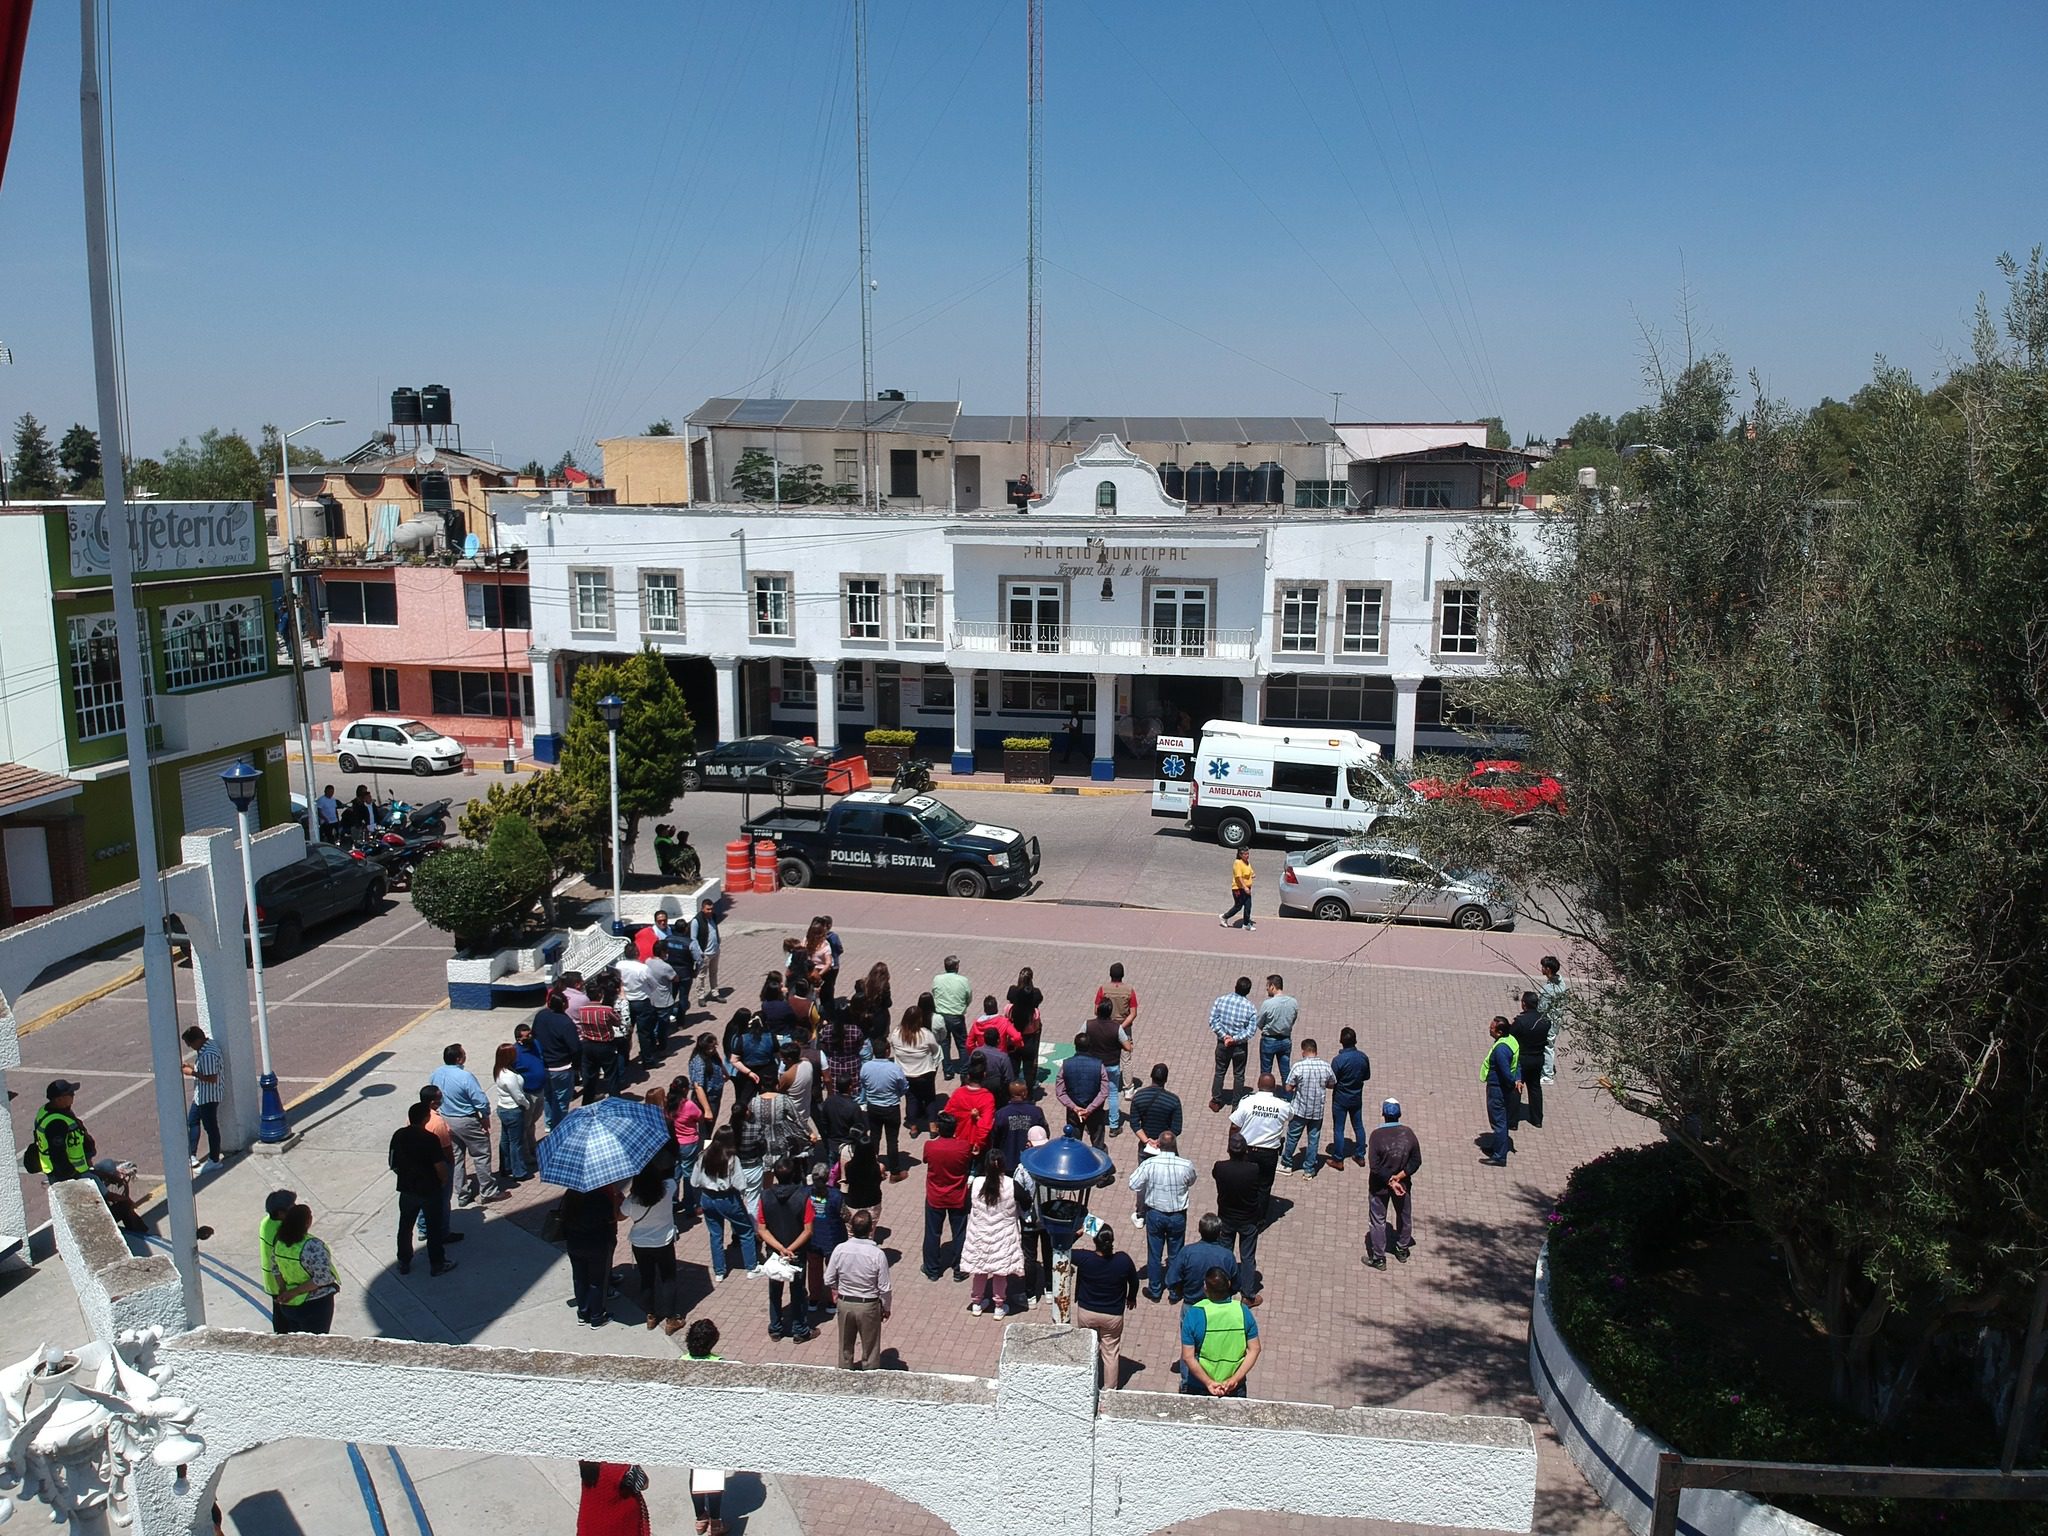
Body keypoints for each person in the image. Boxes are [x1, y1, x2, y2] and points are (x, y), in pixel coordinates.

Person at [1128, 1130, 1196, 1302]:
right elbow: (1191, 1181)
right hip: (1177, 1215)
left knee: (1154, 1254)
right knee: (1176, 1253)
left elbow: (1133, 1183)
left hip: (1155, 1214)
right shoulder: (1185, 1165)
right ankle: (1174, 1291)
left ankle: (1155, 1290)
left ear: (1158, 1145)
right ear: (1175, 1146)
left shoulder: (1149, 1164)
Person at [1070, 1226, 1139, 1386]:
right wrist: (1131, 1298)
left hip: (1087, 1312)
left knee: (1088, 1348)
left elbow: (1061, 1248)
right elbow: (1134, 1281)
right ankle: (1110, 1392)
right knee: (1111, 1352)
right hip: (1112, 1315)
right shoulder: (1123, 1260)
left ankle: (1086, 1385)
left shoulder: (1084, 1258)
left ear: (1095, 1241)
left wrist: (1077, 1234)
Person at [430, 1044, 499, 1205]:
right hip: (466, 1120)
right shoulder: (465, 1076)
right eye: (464, 1054)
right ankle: (488, 1191)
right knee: (481, 1154)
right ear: (459, 1058)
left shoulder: (436, 1074)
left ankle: (462, 1194)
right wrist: (485, 1115)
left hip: (446, 1119)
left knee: (456, 1158)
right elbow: (479, 1099)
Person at [757, 1158, 816, 1342]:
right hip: (796, 1253)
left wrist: (779, 1248)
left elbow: (762, 1229)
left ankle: (775, 1328)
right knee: (798, 1291)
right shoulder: (803, 1197)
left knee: (774, 1289)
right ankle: (799, 1330)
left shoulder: (765, 1196)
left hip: (774, 1252)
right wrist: (790, 1248)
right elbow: (808, 1230)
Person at [825, 1208, 892, 1369]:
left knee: (845, 1349)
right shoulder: (877, 1254)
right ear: (871, 1230)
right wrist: (886, 1307)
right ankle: (869, 1384)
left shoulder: (840, 1249)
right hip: (868, 1305)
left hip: (845, 1303)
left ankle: (844, 1380)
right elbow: (885, 1287)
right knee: (871, 1350)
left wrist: (837, 1290)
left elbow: (828, 1278)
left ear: (852, 1229)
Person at [1179, 1267, 1261, 1397]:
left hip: (1199, 1385)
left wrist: (1209, 1382)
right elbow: (1254, 1349)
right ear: (1228, 1284)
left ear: (1205, 1288)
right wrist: (1234, 1379)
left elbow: (1188, 1357)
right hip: (1234, 1386)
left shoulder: (1194, 1313)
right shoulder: (1243, 1311)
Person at [622, 1164, 685, 1333]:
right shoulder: (667, 1189)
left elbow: (621, 1216)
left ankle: (651, 1315)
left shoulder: (631, 1200)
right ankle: (671, 1318)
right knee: (668, 1279)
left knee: (646, 1278)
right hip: (663, 1242)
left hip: (640, 1244)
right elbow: (672, 1178)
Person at [693, 1125, 759, 1280]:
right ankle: (751, 1267)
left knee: (715, 1234)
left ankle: (719, 1271)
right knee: (746, 1231)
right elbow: (740, 1183)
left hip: (707, 1198)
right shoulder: (732, 1159)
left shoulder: (703, 1155)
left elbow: (694, 1181)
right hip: (727, 1198)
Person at [682, 1321, 729, 1535]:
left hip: (690, 1429)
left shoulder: (681, 1362)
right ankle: (716, 1521)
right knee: (712, 1477)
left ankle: (700, 1518)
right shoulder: (719, 1364)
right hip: (713, 1429)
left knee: (696, 1474)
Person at [960, 1160, 1024, 1318]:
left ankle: (976, 1303)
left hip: (980, 1234)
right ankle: (999, 1306)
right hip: (1004, 1235)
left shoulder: (977, 1183)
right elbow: (1026, 1200)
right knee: (1000, 1272)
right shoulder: (1011, 1184)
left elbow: (967, 1205)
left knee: (980, 1271)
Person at [1364, 1098, 1422, 1269]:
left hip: (1379, 1186)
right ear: (1399, 1114)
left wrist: (1390, 1180)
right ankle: (1402, 1248)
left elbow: (1375, 1167)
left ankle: (1379, 1258)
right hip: (1402, 1185)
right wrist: (1399, 1177)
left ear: (1383, 1114)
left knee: (1378, 1220)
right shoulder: (1408, 1134)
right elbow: (1416, 1161)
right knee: (1404, 1215)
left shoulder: (1376, 1135)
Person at [1211, 1132, 1266, 1307]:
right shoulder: (1254, 1169)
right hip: (1248, 1219)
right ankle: (1248, 1295)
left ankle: (1223, 1289)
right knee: (1248, 1257)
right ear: (1245, 1151)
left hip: (1226, 1217)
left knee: (1225, 1253)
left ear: (1229, 1150)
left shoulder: (1220, 1167)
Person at [271, 1203, 339, 1334]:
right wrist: (294, 1292)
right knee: (317, 1345)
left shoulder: (280, 1243)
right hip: (315, 1305)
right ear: (308, 1222)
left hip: (289, 1305)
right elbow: (323, 1278)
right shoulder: (313, 1246)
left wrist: (284, 1292)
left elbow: (275, 1269)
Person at [920, 1111, 973, 1281]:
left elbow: (926, 1160)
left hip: (935, 1196)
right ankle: (959, 1269)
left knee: (932, 1233)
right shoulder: (964, 1147)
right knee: (959, 1233)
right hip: (958, 1195)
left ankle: (932, 1269)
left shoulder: (930, 1146)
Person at [563, 1183, 622, 1327]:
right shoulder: (600, 1197)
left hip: (574, 1243)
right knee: (597, 1281)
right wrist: (616, 1198)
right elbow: (612, 1218)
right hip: (596, 1244)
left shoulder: (570, 1195)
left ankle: (583, 1313)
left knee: (579, 1278)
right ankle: (597, 1316)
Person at [1229, 1074, 1290, 1207]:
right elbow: (1291, 1115)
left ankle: (1244, 1212)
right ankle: (1260, 1220)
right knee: (1264, 1187)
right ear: (1274, 1088)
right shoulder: (1283, 1105)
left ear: (1258, 1084)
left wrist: (1231, 1147)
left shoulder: (1247, 1101)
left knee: (1245, 1182)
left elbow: (1234, 1126)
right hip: (1269, 1153)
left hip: (1247, 1151)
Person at [1280, 1040, 1334, 1178]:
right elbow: (1332, 1083)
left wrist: (1295, 1087)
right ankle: (1309, 1170)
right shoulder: (1325, 1066)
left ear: (1304, 1051)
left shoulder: (1298, 1066)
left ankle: (1286, 1164)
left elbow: (1287, 1087)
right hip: (1317, 1112)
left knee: (1292, 1137)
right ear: (1316, 1051)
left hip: (1300, 1110)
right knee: (1313, 1140)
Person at [856, 1036, 908, 1177]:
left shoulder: (865, 1067)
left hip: (873, 1107)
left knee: (874, 1137)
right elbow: (904, 1087)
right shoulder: (895, 1069)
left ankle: (873, 1167)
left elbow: (864, 1085)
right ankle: (895, 1172)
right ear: (887, 1051)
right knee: (892, 1140)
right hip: (891, 1107)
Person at [1164, 1213, 1240, 1307]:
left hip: (1192, 1304)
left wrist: (1179, 1291)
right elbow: (1236, 1284)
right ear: (1220, 1233)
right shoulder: (1227, 1256)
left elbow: (1171, 1279)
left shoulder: (1187, 1252)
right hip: (1218, 1306)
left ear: (1199, 1230)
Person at [533, 990, 582, 1131]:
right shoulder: (566, 1023)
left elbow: (535, 1035)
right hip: (562, 1067)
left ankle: (549, 1124)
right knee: (561, 1101)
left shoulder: (541, 1016)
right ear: (564, 1004)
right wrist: (577, 1065)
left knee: (548, 1097)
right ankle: (558, 1128)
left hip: (544, 1066)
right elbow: (575, 1048)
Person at [1207, 977, 1258, 1110]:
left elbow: (1213, 1021)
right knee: (1239, 1074)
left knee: (1220, 1071)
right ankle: (1236, 1104)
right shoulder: (1250, 1008)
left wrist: (1225, 1037)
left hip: (1223, 1044)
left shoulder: (1221, 1000)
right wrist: (1235, 1039)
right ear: (1248, 991)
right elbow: (1251, 1031)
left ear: (1235, 986)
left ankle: (1216, 1101)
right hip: (1239, 1047)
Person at [1326, 1027, 1373, 1169]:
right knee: (1358, 1125)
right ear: (1355, 1041)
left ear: (1341, 1041)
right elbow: (1367, 1076)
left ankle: (1338, 1159)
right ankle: (1360, 1155)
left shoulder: (1338, 1060)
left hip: (1340, 1099)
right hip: (1356, 1097)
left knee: (1339, 1128)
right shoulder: (1363, 1057)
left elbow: (1332, 1082)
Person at [1081, 1000, 1129, 1136]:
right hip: (1112, 1065)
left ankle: (1090, 1122)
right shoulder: (1116, 1027)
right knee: (1113, 1094)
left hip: (1094, 1065)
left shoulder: (1088, 1024)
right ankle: (1114, 1126)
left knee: (1093, 1093)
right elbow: (1127, 1047)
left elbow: (1079, 1038)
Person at [1054, 1034, 1109, 1150]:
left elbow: (1060, 1092)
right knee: (1098, 1145)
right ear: (1090, 1046)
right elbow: (1104, 1092)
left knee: (1073, 1145)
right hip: (1095, 1112)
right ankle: (1102, 1167)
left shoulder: (1066, 1065)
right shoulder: (1099, 1065)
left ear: (1075, 1046)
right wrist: (1089, 1109)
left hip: (1074, 1113)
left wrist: (1074, 1107)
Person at [180, 1027, 224, 1172]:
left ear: (197, 1040)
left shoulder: (208, 1055)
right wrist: (193, 1067)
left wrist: (191, 1072)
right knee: (192, 1121)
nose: (190, 1047)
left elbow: (211, 1078)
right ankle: (191, 1155)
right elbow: (206, 1069)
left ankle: (214, 1159)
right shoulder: (207, 1047)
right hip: (201, 1095)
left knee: (211, 1128)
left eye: (190, 1044)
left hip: (209, 1096)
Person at [32, 1080, 94, 1182]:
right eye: (70, 1094)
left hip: (72, 1170)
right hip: (68, 1174)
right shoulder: (56, 1123)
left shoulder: (49, 1110)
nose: (73, 1095)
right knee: (102, 1191)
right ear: (59, 1099)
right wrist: (71, 1174)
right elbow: (58, 1155)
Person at [491, 1043, 536, 1184]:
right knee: (516, 1142)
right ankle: (519, 1171)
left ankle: (506, 1167)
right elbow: (518, 1096)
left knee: (505, 1139)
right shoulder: (509, 1076)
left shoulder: (499, 1070)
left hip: (503, 1108)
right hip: (513, 1110)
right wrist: (527, 1105)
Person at [895, 1004, 942, 1136]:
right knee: (930, 1098)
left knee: (911, 1099)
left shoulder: (896, 1034)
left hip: (906, 1074)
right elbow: (936, 1050)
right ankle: (932, 1126)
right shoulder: (925, 1035)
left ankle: (914, 1127)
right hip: (925, 1074)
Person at [575, 1460, 651, 1536]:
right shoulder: (620, 1466)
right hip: (619, 1524)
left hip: (590, 1522)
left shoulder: (586, 1461)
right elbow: (643, 1483)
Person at [575, 983, 622, 1105]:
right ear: (600, 995)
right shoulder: (606, 1010)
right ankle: (615, 1102)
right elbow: (617, 1022)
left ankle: (587, 1102)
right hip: (605, 1045)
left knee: (590, 1076)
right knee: (611, 1076)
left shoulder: (581, 1010)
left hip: (587, 1044)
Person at [258, 1187, 297, 1331]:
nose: (295, 1208)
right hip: (283, 1282)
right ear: (281, 1213)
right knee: (288, 1322)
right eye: (291, 1207)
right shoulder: (283, 1230)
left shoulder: (266, 1222)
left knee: (280, 1318)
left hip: (271, 1280)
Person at [943, 1055, 997, 1158]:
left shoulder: (958, 1093)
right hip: (975, 1143)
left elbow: (947, 1114)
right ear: (984, 1075)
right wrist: (979, 1143)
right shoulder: (987, 1098)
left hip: (959, 1140)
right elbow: (985, 1125)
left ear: (968, 1076)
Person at [1482, 1015, 1519, 1166]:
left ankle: (1499, 1156)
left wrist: (1512, 1083)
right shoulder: (1511, 1040)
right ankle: (1497, 1146)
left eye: (1491, 1028)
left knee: (1498, 1122)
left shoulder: (1501, 1050)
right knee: (1500, 1120)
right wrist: (1518, 1079)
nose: (1489, 1029)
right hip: (1503, 1088)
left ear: (1499, 1032)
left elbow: (1505, 1073)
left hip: (1498, 1089)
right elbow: (1518, 1063)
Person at [1129, 1063, 1183, 1165]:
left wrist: (1147, 1141)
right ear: (1166, 1079)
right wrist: (1159, 1141)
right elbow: (1176, 1129)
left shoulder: (1139, 1096)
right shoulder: (1173, 1100)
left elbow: (1134, 1123)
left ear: (1151, 1076)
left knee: (1144, 1175)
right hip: (1166, 1148)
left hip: (1146, 1146)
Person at [1509, 990, 1548, 1129]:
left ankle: (1513, 1121)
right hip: (1538, 1058)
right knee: (1535, 1087)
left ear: (1524, 1004)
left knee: (1517, 1087)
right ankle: (1537, 1119)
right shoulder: (1544, 1020)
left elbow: (1510, 1034)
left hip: (1523, 1058)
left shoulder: (1520, 1021)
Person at [991, 1079, 1046, 1176]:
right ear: (1024, 1093)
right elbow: (1044, 1134)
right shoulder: (1036, 1112)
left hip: (1007, 1162)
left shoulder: (1001, 1114)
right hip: (1030, 1162)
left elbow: (994, 1139)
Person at [930, 955, 973, 1078]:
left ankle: (948, 1071)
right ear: (956, 967)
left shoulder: (937, 979)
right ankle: (964, 1071)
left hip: (941, 1016)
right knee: (962, 1043)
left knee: (944, 1043)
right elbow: (968, 997)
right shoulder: (963, 980)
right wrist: (963, 1006)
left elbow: (934, 993)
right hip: (956, 1016)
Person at [512, 1021, 546, 1167]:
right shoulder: (514, 1053)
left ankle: (533, 1147)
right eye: (527, 1036)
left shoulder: (536, 1045)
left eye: (531, 1034)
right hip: (527, 1093)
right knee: (525, 1125)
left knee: (532, 1122)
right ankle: (526, 1154)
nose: (530, 1037)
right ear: (519, 1039)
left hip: (540, 1091)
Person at [1006, 966, 1044, 1090]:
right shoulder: (1035, 997)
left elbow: (1010, 999)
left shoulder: (1012, 993)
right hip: (1029, 1040)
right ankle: (1029, 1095)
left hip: (1014, 1039)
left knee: (1014, 1066)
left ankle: (1012, 1091)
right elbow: (1037, 1025)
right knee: (1028, 1068)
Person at [1256, 974, 1298, 1084]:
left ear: (1273, 986)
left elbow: (1259, 1022)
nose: (1266, 988)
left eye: (1267, 986)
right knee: (1285, 1071)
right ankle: (1288, 1097)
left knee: (1265, 1072)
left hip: (1269, 1040)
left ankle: (1265, 1093)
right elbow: (1293, 1019)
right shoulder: (1293, 1002)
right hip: (1285, 1040)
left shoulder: (1268, 1004)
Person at [841, 1135, 886, 1238]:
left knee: (851, 1233)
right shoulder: (879, 1167)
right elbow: (880, 1179)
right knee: (870, 1233)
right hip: (872, 1202)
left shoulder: (849, 1166)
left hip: (853, 1203)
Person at [687, 1032, 728, 1130]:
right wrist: (707, 1110)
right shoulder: (699, 1062)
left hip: (715, 1096)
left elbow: (719, 1063)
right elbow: (698, 1087)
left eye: (714, 1046)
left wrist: (726, 1074)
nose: (713, 1050)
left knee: (710, 1127)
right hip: (707, 1099)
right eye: (710, 1048)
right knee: (705, 1130)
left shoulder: (712, 1054)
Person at [969, 1019, 1017, 1101]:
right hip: (996, 1092)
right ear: (998, 1040)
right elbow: (1009, 1078)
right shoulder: (1003, 1057)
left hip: (978, 1089)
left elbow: (969, 1068)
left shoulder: (975, 1052)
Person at [1537, 954, 1567, 1083]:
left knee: (1547, 1046)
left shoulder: (1549, 989)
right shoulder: (1561, 981)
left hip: (1549, 1021)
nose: (1541, 969)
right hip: (1556, 1019)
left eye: (1543, 967)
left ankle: (1547, 1075)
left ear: (1548, 969)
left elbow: (1541, 1008)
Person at [692, 898, 725, 1005]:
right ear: (702, 909)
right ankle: (701, 996)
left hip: (715, 951)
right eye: (708, 909)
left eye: (711, 909)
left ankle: (715, 993)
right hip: (704, 954)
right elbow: (693, 939)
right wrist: (699, 953)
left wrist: (718, 941)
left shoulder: (713, 917)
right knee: (701, 975)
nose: (710, 911)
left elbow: (715, 930)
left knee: (714, 973)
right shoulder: (696, 921)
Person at [1093, 962, 1138, 1038]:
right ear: (1123, 975)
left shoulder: (1103, 989)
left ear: (1110, 974)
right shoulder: (1129, 990)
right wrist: (1120, 1028)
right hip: (1124, 1026)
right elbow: (1133, 1014)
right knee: (1127, 1047)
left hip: (1107, 1026)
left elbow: (1096, 1011)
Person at [1219, 850, 1256, 931]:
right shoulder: (1237, 863)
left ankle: (1246, 924)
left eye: (1248, 854)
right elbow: (1239, 877)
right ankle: (1224, 917)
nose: (1247, 856)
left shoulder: (1247, 862)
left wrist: (1252, 874)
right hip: (1238, 889)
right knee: (1238, 906)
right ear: (1240, 854)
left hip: (1247, 888)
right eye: (1245, 854)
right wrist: (1245, 887)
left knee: (1248, 906)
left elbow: (1250, 871)